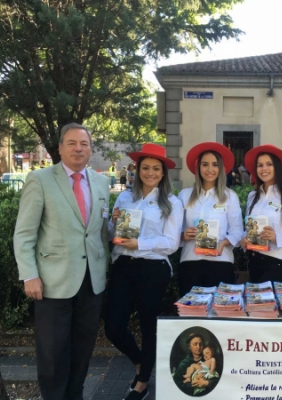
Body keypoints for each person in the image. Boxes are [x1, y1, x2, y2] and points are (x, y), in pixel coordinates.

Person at [13, 123, 110, 400]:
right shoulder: (40, 180)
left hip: (92, 281)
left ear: (91, 149)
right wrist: (29, 274)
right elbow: (24, 233)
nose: (78, 148)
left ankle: (75, 395)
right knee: (53, 351)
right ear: (59, 148)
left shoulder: (102, 182)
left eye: (84, 143)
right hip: (52, 281)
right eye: (71, 143)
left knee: (83, 347)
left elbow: (100, 230)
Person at [104, 144, 183, 400]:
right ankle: (141, 363)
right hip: (123, 266)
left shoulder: (172, 202)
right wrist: (112, 223)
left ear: (163, 173)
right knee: (113, 327)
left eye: (156, 169)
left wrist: (140, 244)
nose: (150, 173)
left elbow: (171, 243)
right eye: (145, 168)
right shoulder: (125, 197)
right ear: (137, 170)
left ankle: (142, 383)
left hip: (153, 268)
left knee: (149, 326)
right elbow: (109, 235)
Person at [177, 142, 243, 297]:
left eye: (214, 164)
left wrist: (224, 243)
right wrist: (183, 235)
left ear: (220, 168)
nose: (209, 169)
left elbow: (237, 230)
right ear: (198, 167)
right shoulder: (184, 195)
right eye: (205, 164)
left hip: (221, 262)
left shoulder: (230, 197)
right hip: (190, 262)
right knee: (190, 316)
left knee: (218, 317)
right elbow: (174, 230)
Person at [239, 144, 282, 283]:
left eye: (269, 164)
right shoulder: (253, 196)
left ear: (277, 167)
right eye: (260, 165)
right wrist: (243, 239)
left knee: (268, 304)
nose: (264, 169)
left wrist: (277, 237)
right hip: (254, 261)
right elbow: (248, 227)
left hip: (278, 263)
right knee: (256, 304)